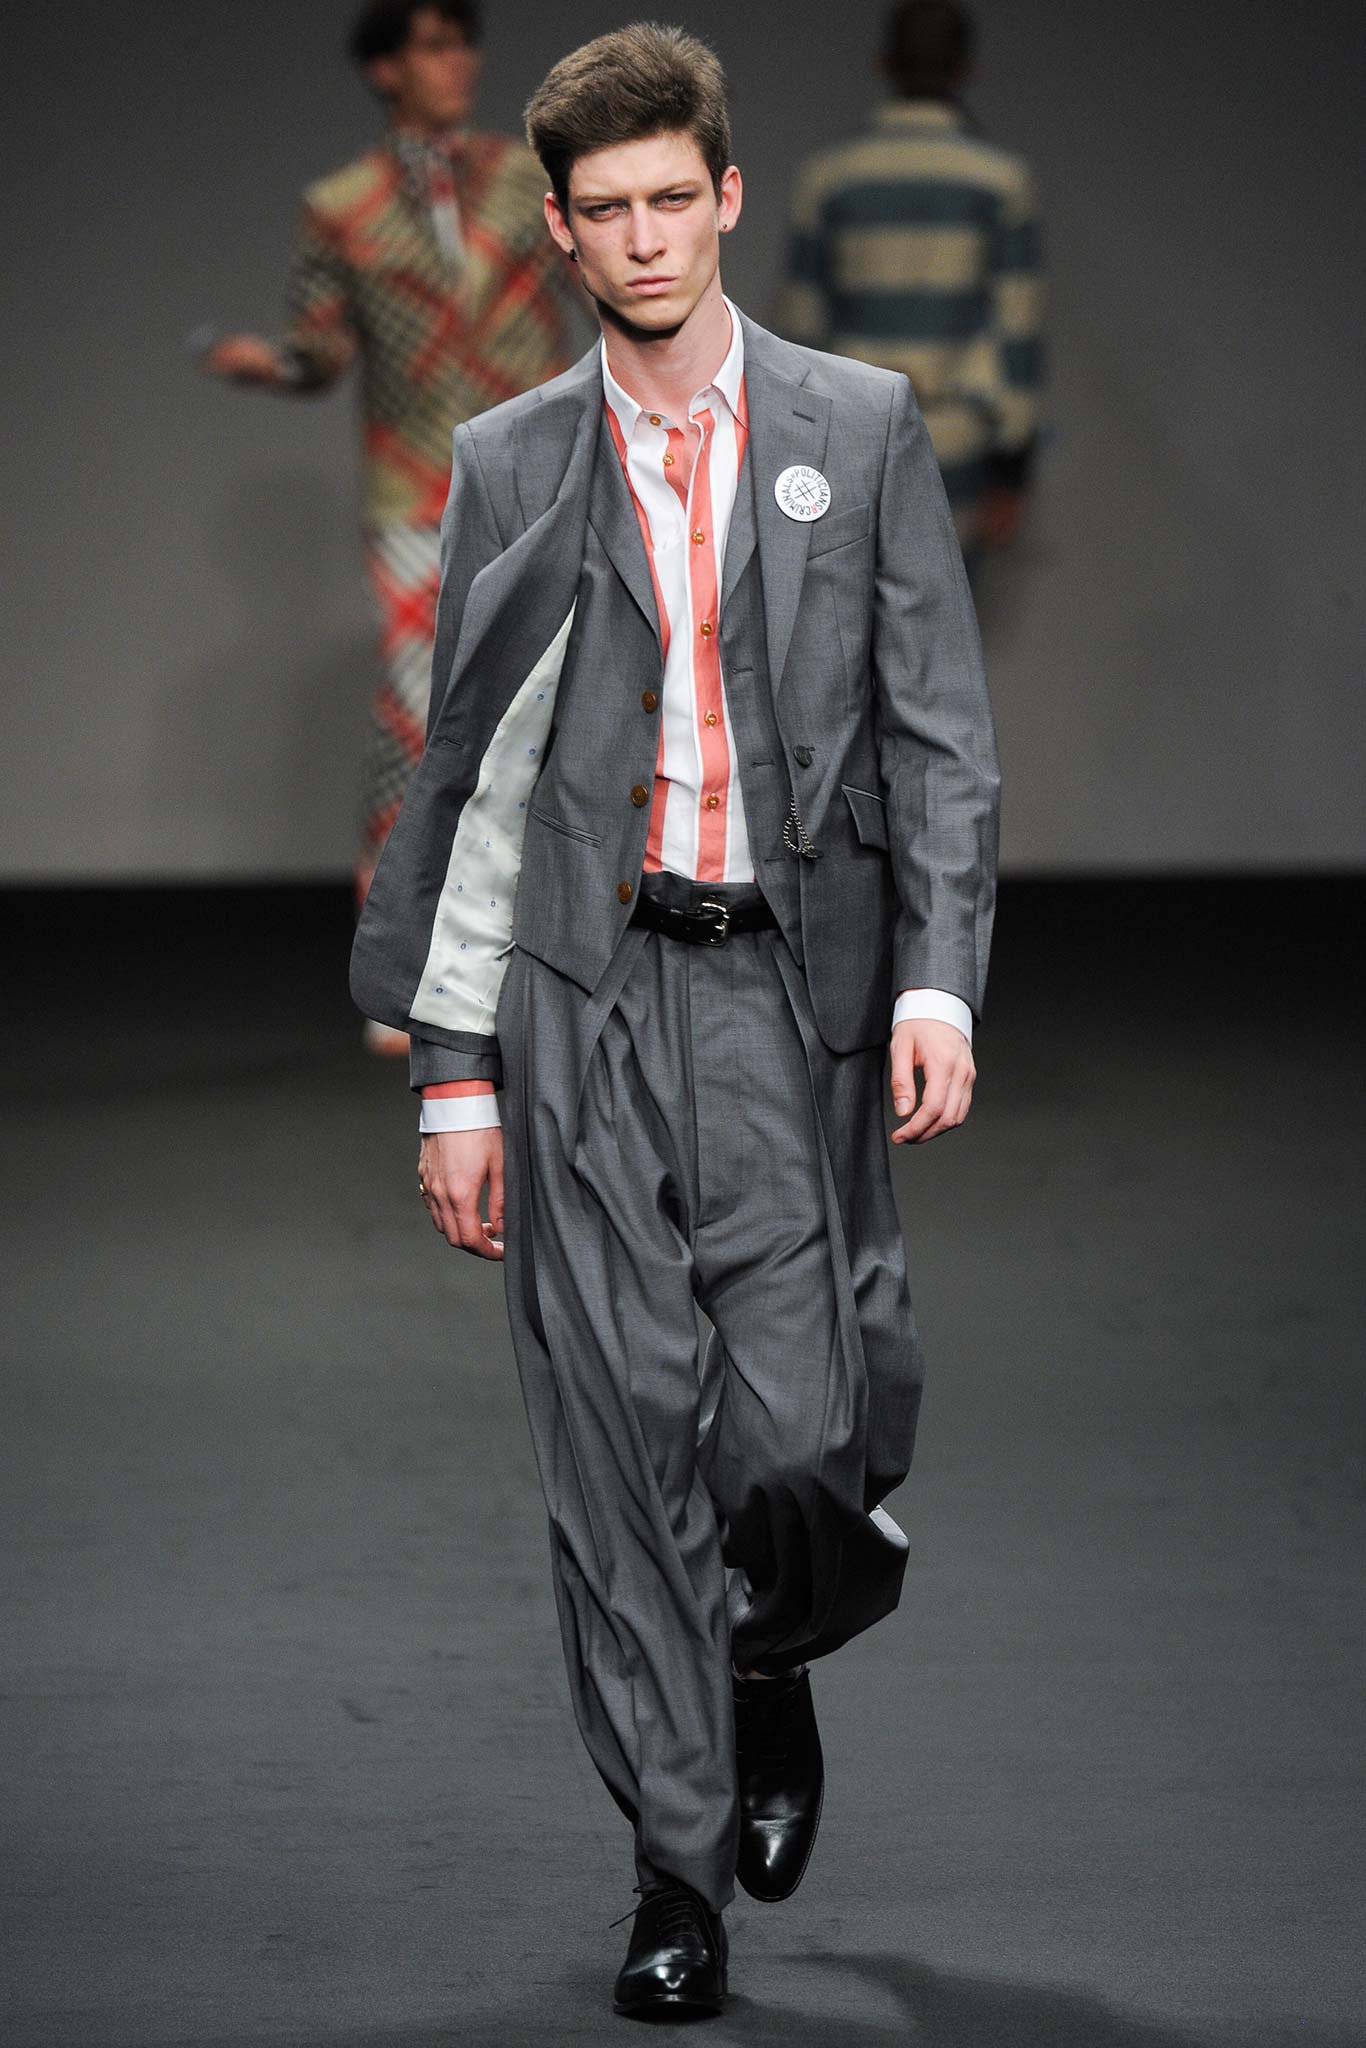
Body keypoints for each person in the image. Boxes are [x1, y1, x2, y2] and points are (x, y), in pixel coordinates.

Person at [351, 22, 999, 2019]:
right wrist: (454, 1070)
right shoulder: (508, 462)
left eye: (669, 198)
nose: (641, 237)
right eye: (602, 210)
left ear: (725, 196)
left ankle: (764, 1646)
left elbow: (937, 731)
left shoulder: (857, 427)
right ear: (559, 230)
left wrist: (934, 975)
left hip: (785, 990)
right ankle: (673, 1869)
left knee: (810, 1431)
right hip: (583, 990)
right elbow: (466, 777)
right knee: (616, 1439)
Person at [203, 0, 580, 1049]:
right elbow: (319, 347)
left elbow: (595, 282)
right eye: (433, 45)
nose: (458, 62)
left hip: (540, 469)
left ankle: (547, 951)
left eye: (463, 43)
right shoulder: (343, 204)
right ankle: (405, 962)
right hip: (415, 485)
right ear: (384, 69)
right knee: (421, 715)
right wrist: (273, 365)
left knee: (550, 701)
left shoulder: (529, 177)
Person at [776, 0, 1044, 564]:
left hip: (851, 440)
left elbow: (800, 330)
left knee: (846, 610)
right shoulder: (999, 182)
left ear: (884, 61)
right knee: (950, 611)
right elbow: (1017, 328)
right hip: (958, 438)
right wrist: (1013, 467)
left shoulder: (830, 178)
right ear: (966, 67)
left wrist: (792, 454)